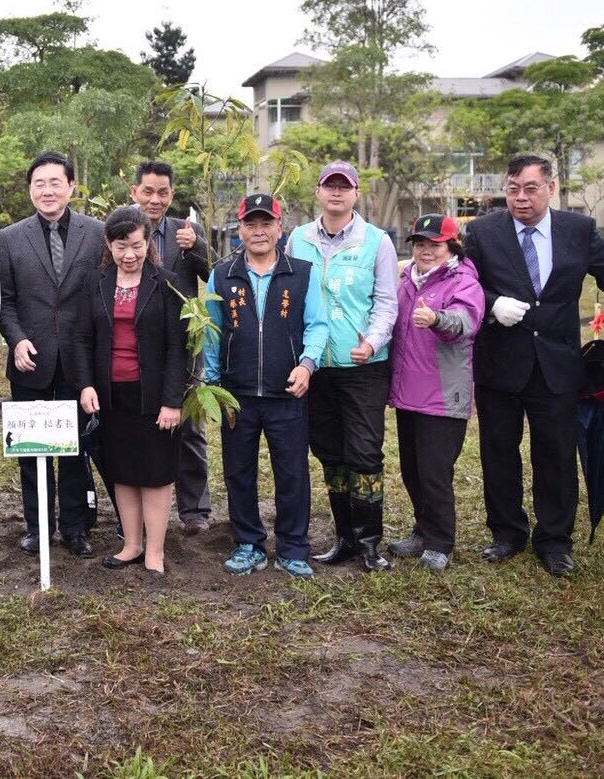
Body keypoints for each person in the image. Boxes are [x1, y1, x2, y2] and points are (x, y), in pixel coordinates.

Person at [463, 154, 604, 577]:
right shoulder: (481, 231)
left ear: (551, 187)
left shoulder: (579, 230)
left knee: (555, 453)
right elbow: (463, 285)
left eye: (530, 188)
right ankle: (507, 532)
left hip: (558, 362)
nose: (521, 198)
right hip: (500, 361)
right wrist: (493, 304)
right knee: (499, 451)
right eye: (513, 189)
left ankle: (554, 539)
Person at [205, 194, 328, 578]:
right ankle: (249, 543)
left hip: (287, 392)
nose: (258, 231)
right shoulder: (221, 274)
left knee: (291, 471)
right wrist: (212, 385)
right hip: (237, 393)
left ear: (280, 227)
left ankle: (293, 547)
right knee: (238, 470)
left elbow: (318, 325)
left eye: (266, 223)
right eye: (250, 224)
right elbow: (212, 332)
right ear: (239, 229)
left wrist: (307, 365)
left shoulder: (303, 272)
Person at [285, 160, 400, 571]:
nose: (337, 193)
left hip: (363, 365)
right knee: (330, 452)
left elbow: (387, 301)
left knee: (364, 452)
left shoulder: (377, 241)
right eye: (329, 186)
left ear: (355, 193)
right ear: (318, 192)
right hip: (315, 366)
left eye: (344, 187)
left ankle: (370, 541)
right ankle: (345, 537)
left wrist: (372, 341)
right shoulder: (297, 239)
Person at [0, 152, 106, 559]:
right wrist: (17, 339)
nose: (47, 190)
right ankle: (37, 526)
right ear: (30, 189)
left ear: (71, 186)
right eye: (39, 183)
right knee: (33, 447)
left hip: (80, 362)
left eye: (55, 182)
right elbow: (4, 302)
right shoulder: (9, 239)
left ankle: (75, 527)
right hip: (32, 360)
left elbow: (102, 294)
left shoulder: (96, 234)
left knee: (76, 447)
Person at [71, 207, 187, 576]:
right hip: (111, 393)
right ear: (109, 244)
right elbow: (82, 338)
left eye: (137, 245)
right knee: (122, 471)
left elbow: (177, 348)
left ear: (147, 242)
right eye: (122, 246)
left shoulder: (166, 283)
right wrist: (86, 384)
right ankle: (131, 544)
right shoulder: (95, 282)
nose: (130, 254)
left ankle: (154, 550)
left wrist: (172, 401)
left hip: (152, 395)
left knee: (154, 472)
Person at [386, 215, 485, 571]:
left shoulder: (463, 281)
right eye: (420, 244)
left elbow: (465, 323)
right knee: (412, 469)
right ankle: (422, 529)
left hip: (442, 396)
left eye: (435, 244)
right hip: (407, 392)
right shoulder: (405, 279)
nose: (426, 251)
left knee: (434, 471)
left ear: (451, 247)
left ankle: (441, 541)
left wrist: (437, 319)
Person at [128, 159, 212, 535]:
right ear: (134, 193)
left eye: (163, 192)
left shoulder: (185, 231)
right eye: (147, 191)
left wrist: (197, 247)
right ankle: (141, 510)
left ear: (172, 195)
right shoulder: (123, 228)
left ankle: (194, 508)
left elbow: (214, 275)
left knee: (190, 426)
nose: (155, 199)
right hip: (135, 345)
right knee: (140, 424)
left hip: (184, 344)